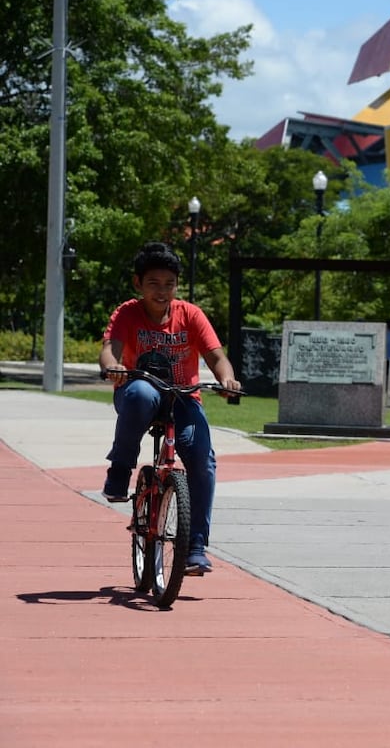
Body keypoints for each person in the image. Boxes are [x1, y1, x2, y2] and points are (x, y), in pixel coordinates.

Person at [98, 241, 241, 575]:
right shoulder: (127, 313)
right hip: (138, 390)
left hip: (182, 397)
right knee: (142, 395)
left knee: (202, 461)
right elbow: (110, 350)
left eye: (169, 285)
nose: (162, 292)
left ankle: (195, 547)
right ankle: (120, 469)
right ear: (138, 284)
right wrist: (113, 367)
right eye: (153, 284)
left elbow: (217, 357)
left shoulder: (190, 314)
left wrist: (228, 379)